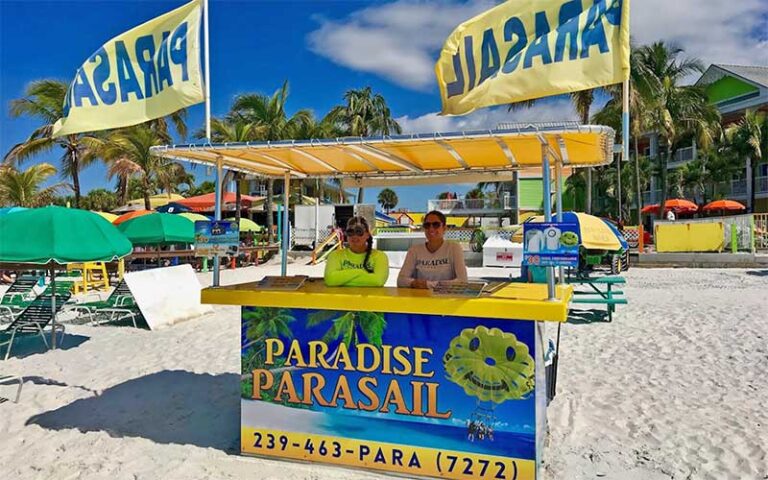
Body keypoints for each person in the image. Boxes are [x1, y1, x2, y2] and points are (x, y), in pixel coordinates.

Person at [397, 210, 468, 289]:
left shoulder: (454, 248)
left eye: (436, 225)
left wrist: (428, 285)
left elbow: (463, 281)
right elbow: (400, 280)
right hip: (420, 299)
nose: (431, 229)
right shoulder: (414, 250)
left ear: (444, 228)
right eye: (427, 225)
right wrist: (413, 283)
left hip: (446, 300)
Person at [324, 216, 389, 287]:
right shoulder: (335, 255)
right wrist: (360, 272)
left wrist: (341, 280)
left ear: (367, 235)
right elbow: (330, 280)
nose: (354, 236)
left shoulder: (379, 256)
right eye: (350, 232)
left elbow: (378, 281)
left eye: (359, 231)